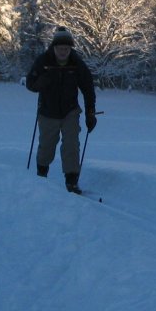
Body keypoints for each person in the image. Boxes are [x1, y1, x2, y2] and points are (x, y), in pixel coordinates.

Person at [25, 26, 98, 193]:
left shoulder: (77, 63)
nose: (64, 51)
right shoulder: (43, 61)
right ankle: (41, 176)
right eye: (60, 48)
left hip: (70, 111)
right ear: (54, 47)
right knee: (47, 147)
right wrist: (41, 82)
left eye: (67, 48)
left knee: (71, 145)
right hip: (47, 112)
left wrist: (90, 113)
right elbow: (30, 83)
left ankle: (71, 182)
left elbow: (88, 89)